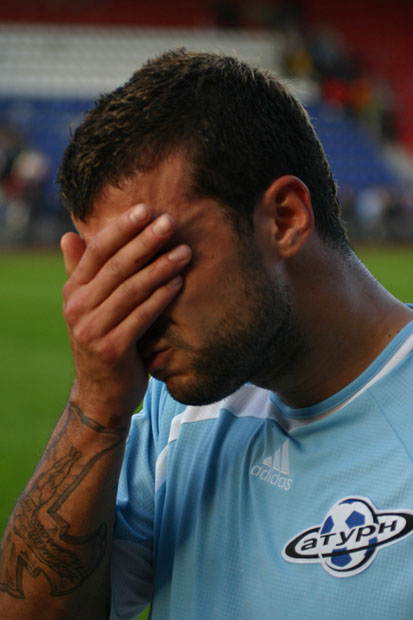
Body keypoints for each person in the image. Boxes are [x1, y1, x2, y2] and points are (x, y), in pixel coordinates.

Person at [0, 48, 412, 620]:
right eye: (112, 275)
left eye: (155, 264)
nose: (131, 318)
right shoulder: (180, 410)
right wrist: (96, 407)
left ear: (285, 219)